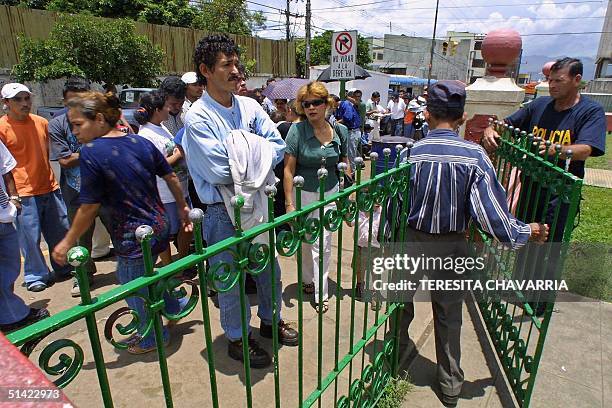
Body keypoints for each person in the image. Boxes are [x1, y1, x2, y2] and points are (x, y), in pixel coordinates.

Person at [390, 80, 549, 407]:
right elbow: (492, 218)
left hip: (410, 240)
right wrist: (526, 231)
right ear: (462, 116)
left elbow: (394, 204)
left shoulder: (410, 153)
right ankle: (450, 386)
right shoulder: (474, 157)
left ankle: (394, 357)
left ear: (429, 115)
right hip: (450, 245)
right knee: (448, 315)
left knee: (400, 301)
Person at [182, 34, 297, 368]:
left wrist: (238, 146)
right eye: (226, 64)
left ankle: (271, 321)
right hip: (220, 211)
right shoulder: (198, 118)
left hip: (257, 203)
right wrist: (253, 147)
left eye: (236, 63)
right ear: (205, 70)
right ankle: (236, 337)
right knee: (229, 279)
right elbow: (218, 170)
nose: (235, 70)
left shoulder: (248, 105)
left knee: (267, 268)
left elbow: (277, 147)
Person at [51, 91, 192, 354]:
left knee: (133, 284)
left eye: (78, 124)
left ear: (100, 119)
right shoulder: (140, 142)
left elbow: (90, 205)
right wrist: (183, 208)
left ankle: (151, 337)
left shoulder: (91, 152)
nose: (75, 132)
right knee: (154, 273)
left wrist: (68, 240)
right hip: (158, 225)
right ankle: (175, 307)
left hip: (131, 235)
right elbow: (171, 176)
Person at [481, 57, 606, 314]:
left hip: (560, 192)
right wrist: (490, 130)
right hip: (532, 185)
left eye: (559, 81)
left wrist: (559, 150)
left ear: (577, 80)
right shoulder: (539, 106)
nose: (552, 86)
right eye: (550, 80)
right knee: (528, 236)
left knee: (550, 246)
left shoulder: (589, 111)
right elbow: (507, 124)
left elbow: (588, 148)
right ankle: (519, 289)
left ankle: (540, 301)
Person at [284, 81, 351, 313]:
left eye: (317, 103)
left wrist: (348, 192)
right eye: (307, 103)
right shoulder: (297, 130)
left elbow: (345, 162)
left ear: (327, 104)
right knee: (305, 239)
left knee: (323, 243)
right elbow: (288, 169)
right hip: (303, 193)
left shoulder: (340, 131)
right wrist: (289, 203)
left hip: (329, 192)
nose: (311, 107)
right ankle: (306, 279)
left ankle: (321, 293)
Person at [0, 83, 71, 292]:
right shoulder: (2, 128)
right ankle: (35, 275)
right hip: (23, 192)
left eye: (26, 98)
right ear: (6, 103)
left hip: (49, 185)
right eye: (18, 100)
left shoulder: (41, 122)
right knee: (30, 238)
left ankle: (63, 267)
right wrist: (12, 196)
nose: (25, 103)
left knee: (60, 230)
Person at [49, 77, 113, 297]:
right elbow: (65, 161)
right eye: (72, 101)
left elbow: (114, 144)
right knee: (81, 238)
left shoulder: (99, 118)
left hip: (105, 187)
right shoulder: (57, 125)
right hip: (77, 190)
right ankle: (83, 277)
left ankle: (129, 271)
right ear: (64, 101)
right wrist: (93, 149)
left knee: (118, 228)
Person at [136, 90, 191, 268]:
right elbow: (152, 166)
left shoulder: (161, 127)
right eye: (167, 106)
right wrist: (178, 155)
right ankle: (170, 268)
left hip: (179, 188)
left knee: (187, 226)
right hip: (164, 193)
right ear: (157, 110)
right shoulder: (146, 136)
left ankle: (182, 262)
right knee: (164, 233)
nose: (170, 110)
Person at [0, 140, 50, 332]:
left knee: (9, 268)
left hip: (4, 215)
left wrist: (14, 197)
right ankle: (13, 316)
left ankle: (8, 312)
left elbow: (6, 167)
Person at [334, 89, 362, 171]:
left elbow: (348, 118)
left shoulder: (345, 104)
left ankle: (352, 174)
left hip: (352, 132)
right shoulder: (338, 108)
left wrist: (336, 122)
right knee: (350, 152)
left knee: (350, 154)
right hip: (349, 132)